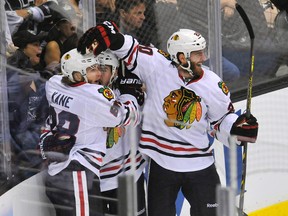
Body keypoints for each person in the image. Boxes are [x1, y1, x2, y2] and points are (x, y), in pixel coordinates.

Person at [77, 21, 259, 216]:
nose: (204, 57)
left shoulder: (213, 83)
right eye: (198, 53)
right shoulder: (157, 66)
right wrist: (113, 37)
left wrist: (236, 129)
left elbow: (220, 121)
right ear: (182, 57)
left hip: (199, 163)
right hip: (161, 163)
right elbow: (131, 49)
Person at [39, 48, 143, 216]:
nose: (99, 74)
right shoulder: (96, 96)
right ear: (78, 75)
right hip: (76, 172)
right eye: (92, 70)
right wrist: (129, 94)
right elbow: (128, 117)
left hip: (59, 171)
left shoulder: (54, 84)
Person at [96, 50, 147, 215]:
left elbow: (133, 115)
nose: (98, 73)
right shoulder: (84, 97)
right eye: (95, 68)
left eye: (104, 69)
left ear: (115, 72)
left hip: (128, 176)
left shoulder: (126, 95)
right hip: (97, 179)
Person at [7, 29, 49, 185]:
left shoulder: (26, 69)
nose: (40, 50)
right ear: (23, 48)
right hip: (21, 142)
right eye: (35, 45)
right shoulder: (16, 71)